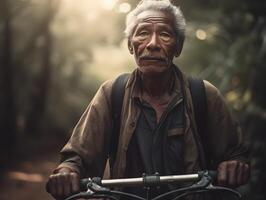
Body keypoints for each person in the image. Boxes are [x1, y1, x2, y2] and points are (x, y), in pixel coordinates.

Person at [46, 0, 250, 199]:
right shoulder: (112, 93)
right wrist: (67, 171)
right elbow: (78, 156)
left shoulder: (204, 95)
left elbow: (235, 154)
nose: (153, 44)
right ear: (130, 45)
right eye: (143, 33)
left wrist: (233, 165)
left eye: (165, 34)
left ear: (178, 47)